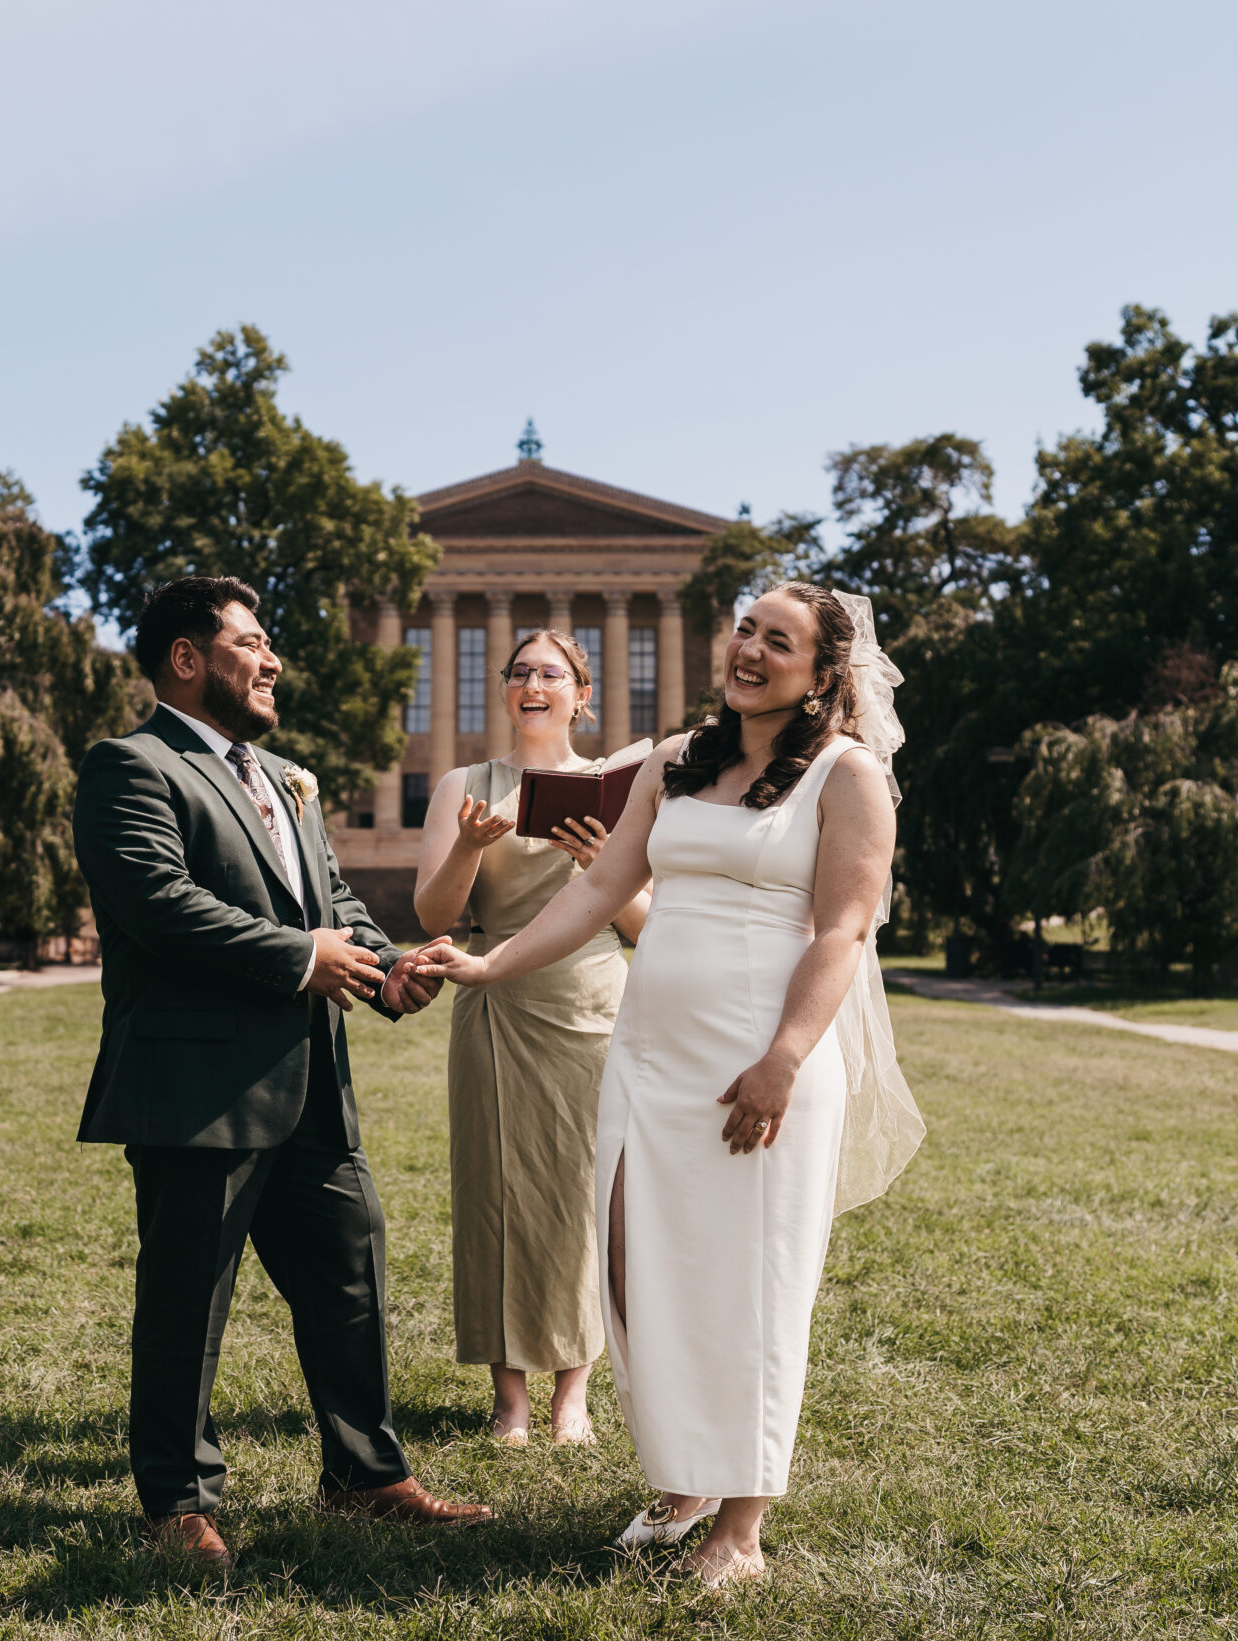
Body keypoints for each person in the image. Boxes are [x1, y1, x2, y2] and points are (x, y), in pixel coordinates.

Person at [411, 584, 925, 1587]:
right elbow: (601, 890)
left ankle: (741, 1524)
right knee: (637, 1269)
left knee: (753, 1283)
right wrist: (488, 964)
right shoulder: (675, 761)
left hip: (761, 1060)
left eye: (778, 641)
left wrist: (782, 1057)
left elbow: (840, 930)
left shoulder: (844, 774)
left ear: (821, 673)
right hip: (649, 1055)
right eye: (744, 630)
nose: (749, 651)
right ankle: (684, 1476)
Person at [71, 575, 492, 1574]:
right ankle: (176, 1501)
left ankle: (363, 1475)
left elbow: (332, 896)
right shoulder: (130, 767)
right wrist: (303, 958)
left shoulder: (284, 778)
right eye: (250, 644)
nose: (272, 662)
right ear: (187, 659)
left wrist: (386, 971)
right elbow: (157, 903)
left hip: (312, 1083)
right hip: (197, 1087)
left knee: (350, 1269)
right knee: (188, 1300)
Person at [410, 628, 650, 1446]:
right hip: (494, 999)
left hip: (589, 1001)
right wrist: (473, 850)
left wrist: (600, 870)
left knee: (583, 1190)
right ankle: (508, 1396)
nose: (532, 683)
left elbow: (647, 926)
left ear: (582, 693)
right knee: (495, 1191)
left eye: (551, 672)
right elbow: (435, 918)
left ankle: (571, 1394)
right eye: (519, 672)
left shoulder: (621, 789)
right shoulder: (464, 785)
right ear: (504, 689)